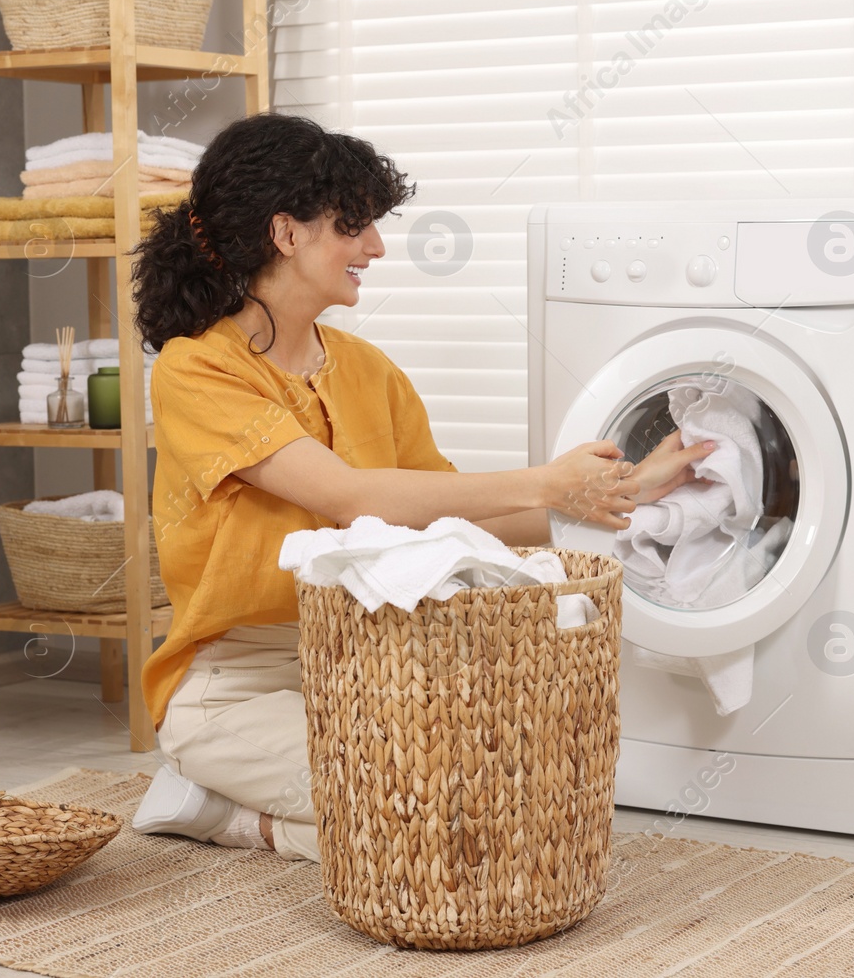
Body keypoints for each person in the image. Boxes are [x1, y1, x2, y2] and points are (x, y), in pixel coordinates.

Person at [126, 112, 710, 860]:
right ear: (287, 233)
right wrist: (547, 479)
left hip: (363, 665)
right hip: (230, 686)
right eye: (353, 225)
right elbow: (346, 495)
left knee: (487, 791)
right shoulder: (198, 368)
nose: (374, 246)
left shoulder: (371, 372)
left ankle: (243, 807)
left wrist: (630, 492)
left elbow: (455, 528)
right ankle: (223, 811)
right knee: (420, 815)